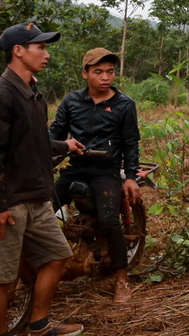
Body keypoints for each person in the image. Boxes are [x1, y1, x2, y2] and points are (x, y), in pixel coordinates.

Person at [0, 22, 85, 336]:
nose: (46, 54)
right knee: (2, 275)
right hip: (11, 200)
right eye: (40, 48)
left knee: (57, 256)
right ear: (18, 51)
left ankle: (39, 322)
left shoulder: (32, 93)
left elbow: (32, 142)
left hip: (36, 196)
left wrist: (64, 145)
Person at [49, 48, 142, 303]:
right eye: (98, 72)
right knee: (44, 212)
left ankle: (122, 279)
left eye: (110, 72)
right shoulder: (72, 102)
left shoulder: (124, 104)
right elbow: (56, 132)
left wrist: (131, 177)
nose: (105, 77)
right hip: (75, 166)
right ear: (85, 73)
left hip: (106, 171)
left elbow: (131, 143)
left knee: (111, 221)